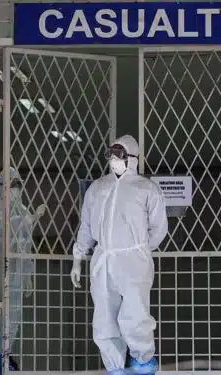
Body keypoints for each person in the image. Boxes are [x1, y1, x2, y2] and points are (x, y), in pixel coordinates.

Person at [69, 135, 168, 375]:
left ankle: (142, 362)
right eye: (111, 154)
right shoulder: (97, 188)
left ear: (132, 158)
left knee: (135, 314)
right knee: (104, 317)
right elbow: (87, 227)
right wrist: (78, 258)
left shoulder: (146, 188)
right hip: (104, 261)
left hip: (134, 261)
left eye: (120, 154)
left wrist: (139, 250)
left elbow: (159, 228)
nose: (114, 159)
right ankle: (114, 367)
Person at [0, 168, 47, 374]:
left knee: (13, 319)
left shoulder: (22, 208)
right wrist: (31, 218)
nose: (15, 190)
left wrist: (28, 276)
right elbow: (3, 231)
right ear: (1, 187)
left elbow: (27, 246)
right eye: (11, 186)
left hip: (16, 276)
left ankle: (4, 356)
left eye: (18, 185)